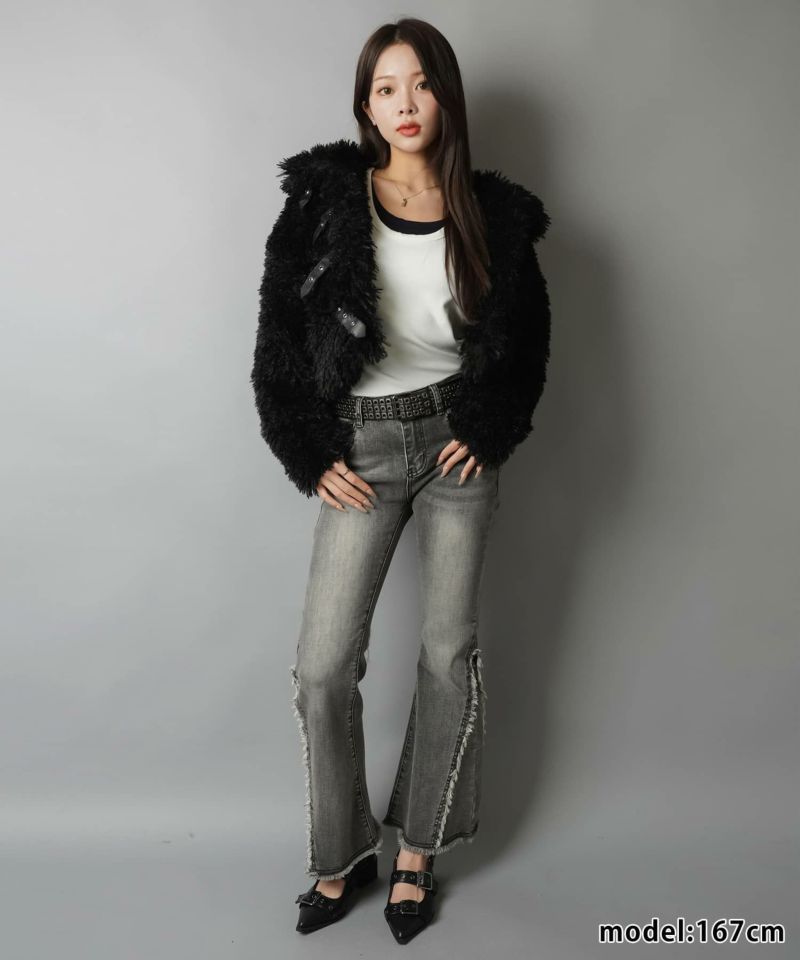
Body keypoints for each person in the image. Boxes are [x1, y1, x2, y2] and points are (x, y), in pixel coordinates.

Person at [251, 16, 552, 944]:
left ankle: (418, 851)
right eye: (386, 88)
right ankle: (343, 854)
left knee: (447, 652)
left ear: (445, 97)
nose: (405, 103)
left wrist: (490, 426)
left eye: (420, 84)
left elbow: (527, 341)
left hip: (456, 445)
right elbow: (276, 339)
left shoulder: (493, 215)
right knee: (323, 668)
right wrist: (311, 453)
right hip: (364, 448)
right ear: (366, 105)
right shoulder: (325, 202)